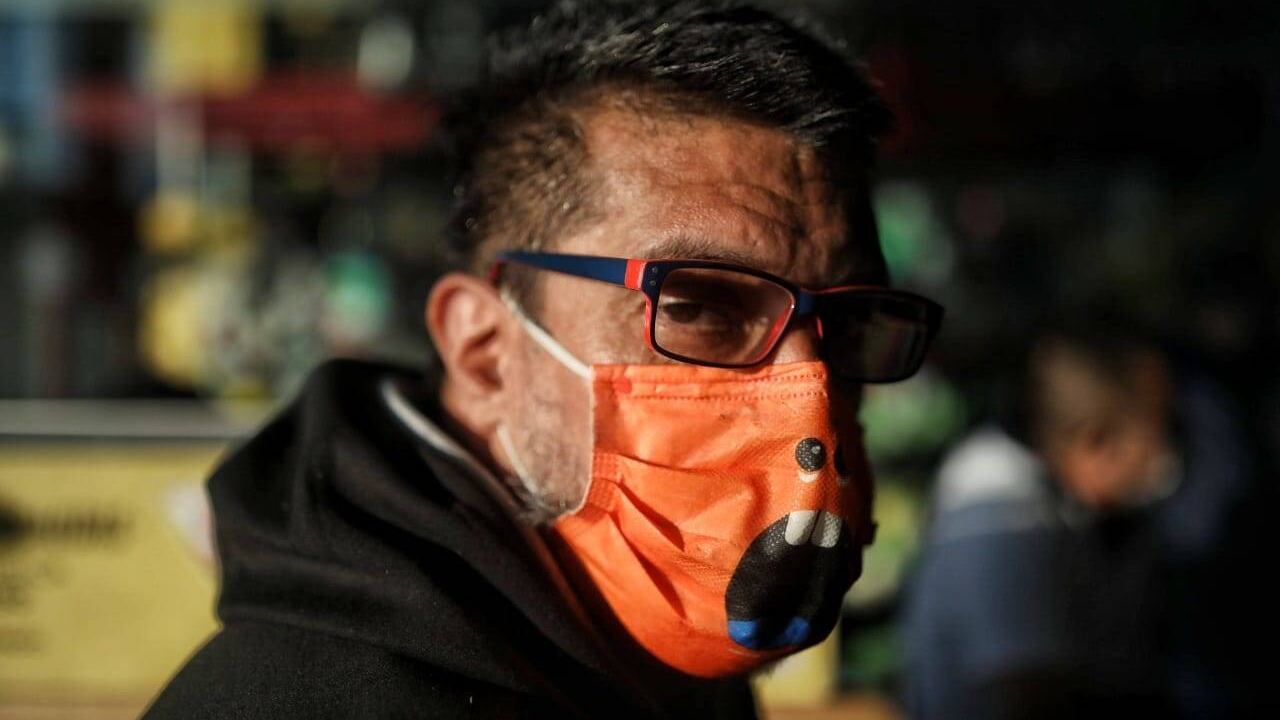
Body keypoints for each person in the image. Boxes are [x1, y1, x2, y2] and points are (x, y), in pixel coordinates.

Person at [144, 1, 943, 717]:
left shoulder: (655, 667)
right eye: (698, 306)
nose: (808, 391)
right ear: (486, 354)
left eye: (847, 323)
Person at [901, 326, 1257, 720]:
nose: (1165, 457)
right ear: (1096, 441)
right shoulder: (999, 506)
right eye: (1159, 430)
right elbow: (1028, 692)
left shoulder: (1070, 505)